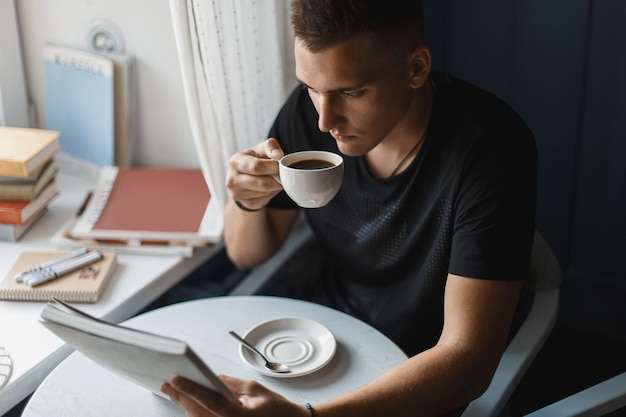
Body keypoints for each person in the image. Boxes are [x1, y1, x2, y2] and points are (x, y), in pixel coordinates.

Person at [161, 0, 537, 416]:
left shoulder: (492, 151)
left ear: (416, 68)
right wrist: (245, 198)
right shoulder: (308, 115)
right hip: (327, 342)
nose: (324, 121)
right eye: (310, 87)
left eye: (351, 92)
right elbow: (249, 253)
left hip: (416, 374)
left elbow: (468, 363)